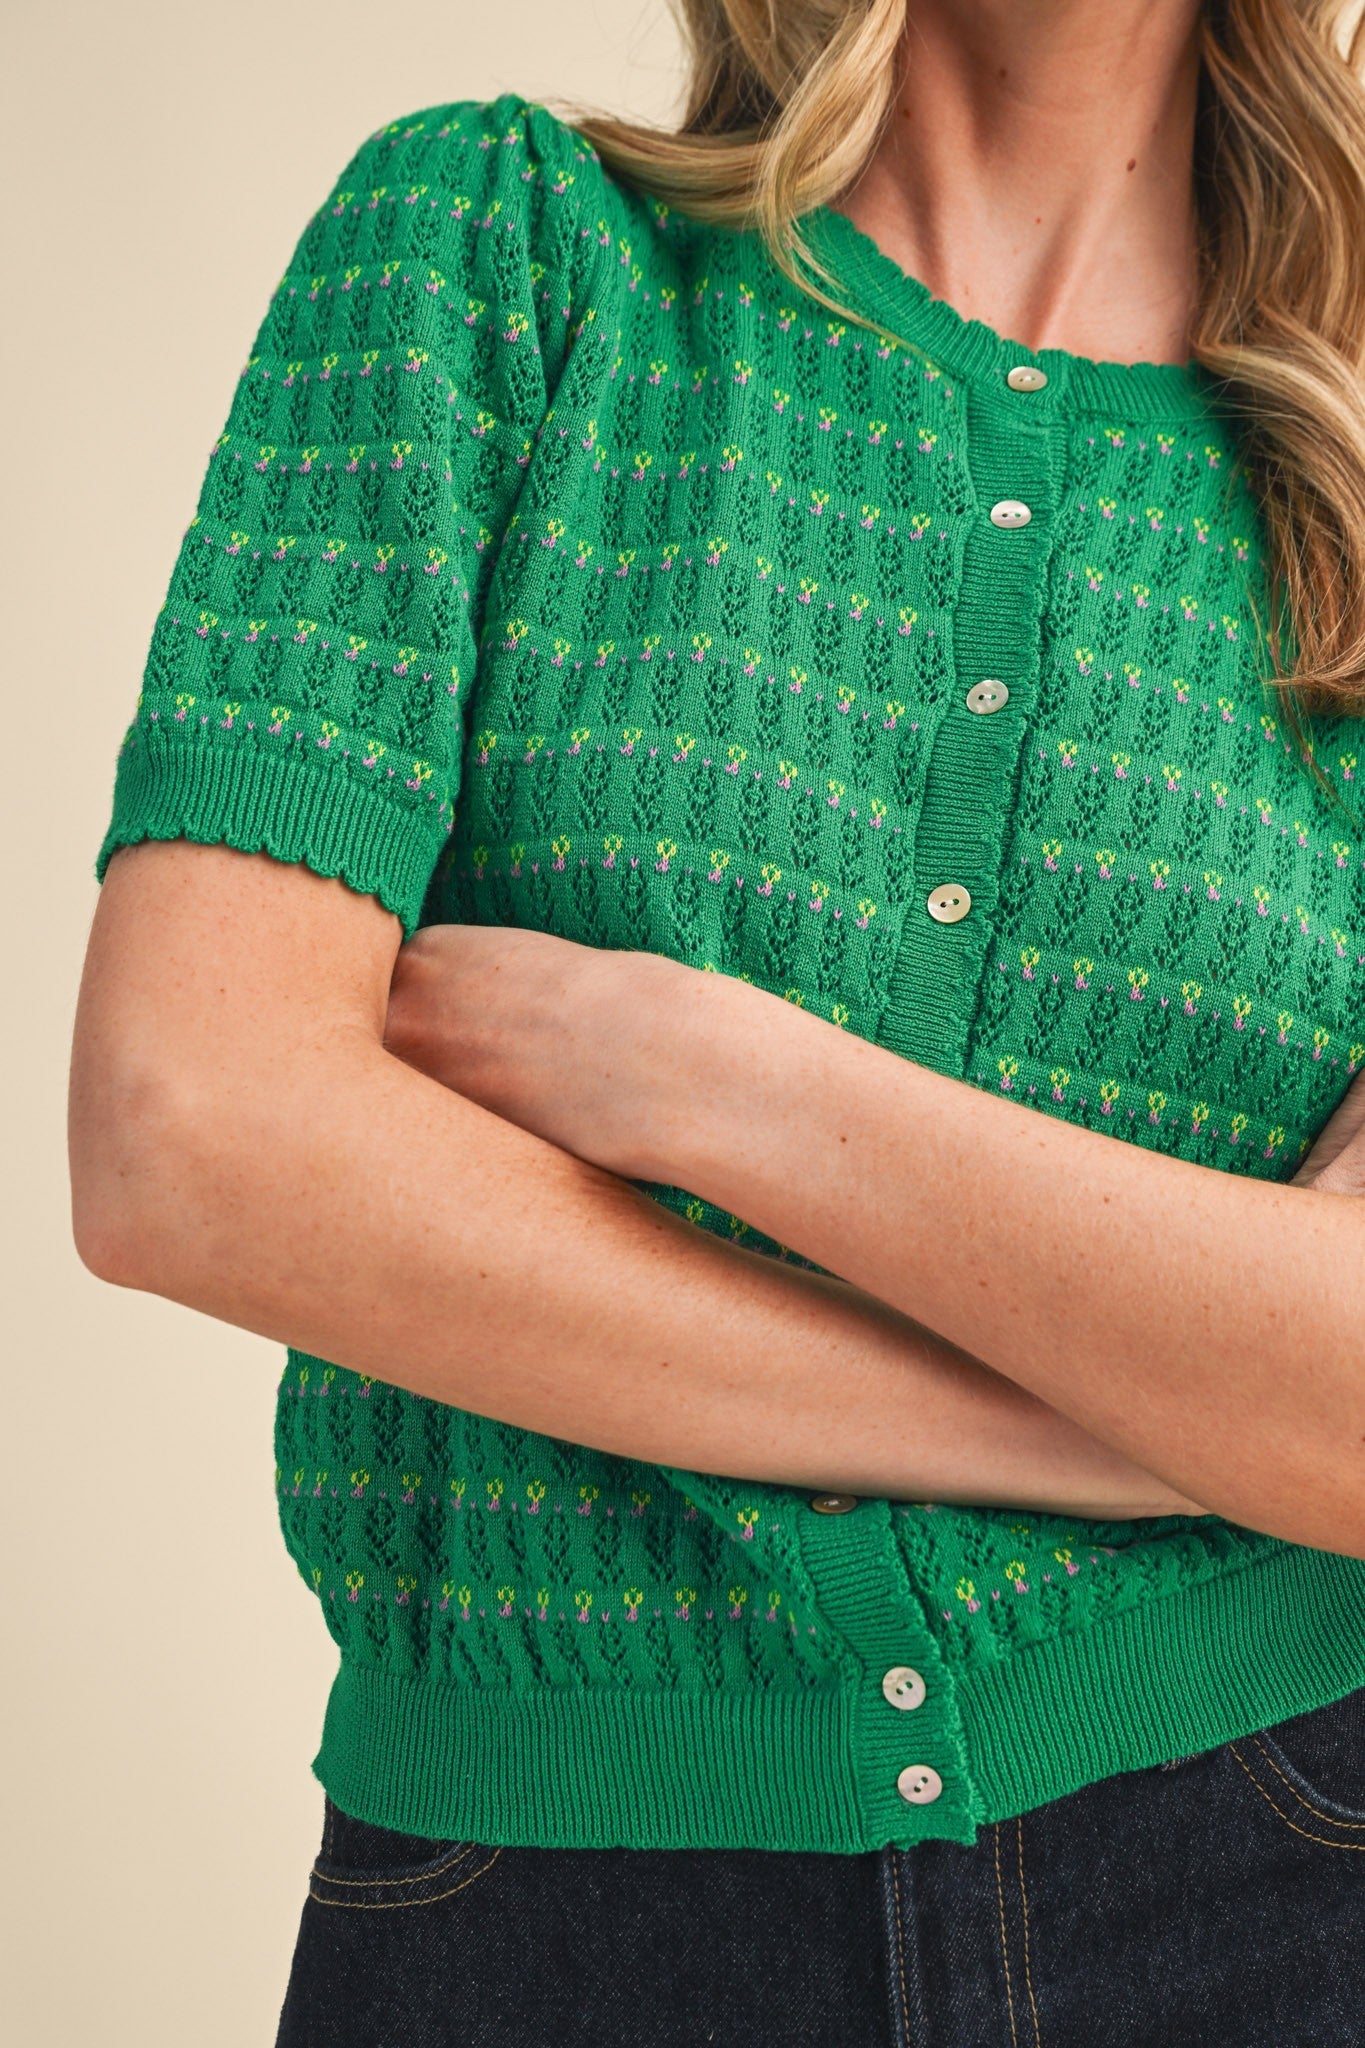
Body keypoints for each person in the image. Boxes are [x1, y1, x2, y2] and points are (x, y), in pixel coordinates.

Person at [68, 0, 1365, 2041]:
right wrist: (1103, 1431)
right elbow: (194, 1139)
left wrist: (720, 1084)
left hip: (1274, 1872)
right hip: (538, 1918)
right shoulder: (501, 253)